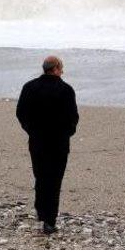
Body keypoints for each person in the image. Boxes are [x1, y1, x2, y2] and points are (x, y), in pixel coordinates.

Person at [16, 56, 79, 235]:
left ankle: (41, 210)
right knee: (54, 179)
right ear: (57, 68)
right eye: (62, 68)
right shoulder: (66, 90)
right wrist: (67, 133)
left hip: (37, 140)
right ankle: (49, 220)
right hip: (59, 142)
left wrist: (30, 130)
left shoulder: (29, 87)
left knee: (41, 175)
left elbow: (21, 113)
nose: (63, 71)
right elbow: (73, 117)